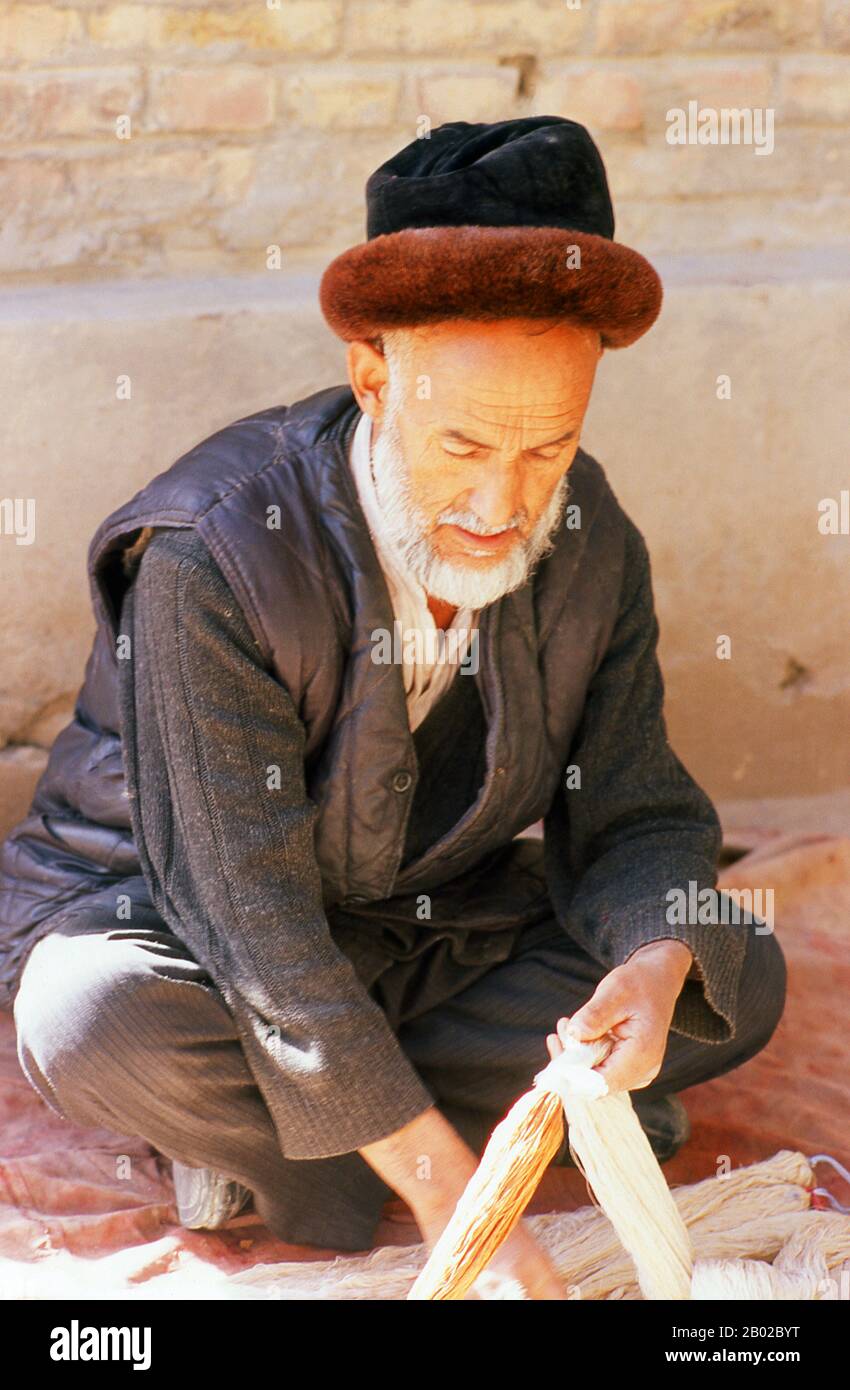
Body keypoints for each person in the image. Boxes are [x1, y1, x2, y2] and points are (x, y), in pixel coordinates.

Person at [0, 118, 786, 1298]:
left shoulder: (590, 535)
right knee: (86, 1014)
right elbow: (251, 923)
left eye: (547, 450)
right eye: (463, 442)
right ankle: (425, 1144)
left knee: (735, 966)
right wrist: (452, 1198)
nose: (498, 502)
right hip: (188, 936)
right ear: (374, 377)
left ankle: (287, 1135)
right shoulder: (215, 554)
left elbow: (633, 814)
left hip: (424, 934)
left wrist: (654, 962)